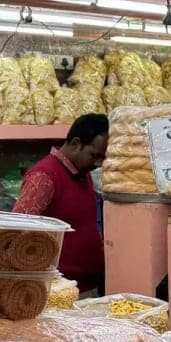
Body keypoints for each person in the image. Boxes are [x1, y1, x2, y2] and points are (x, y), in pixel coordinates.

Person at [13, 113, 108, 294]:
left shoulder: (83, 174)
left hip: (86, 286)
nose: (98, 163)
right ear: (75, 144)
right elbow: (18, 230)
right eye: (94, 156)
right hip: (57, 292)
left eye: (102, 158)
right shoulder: (44, 176)